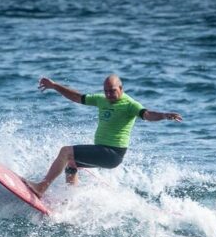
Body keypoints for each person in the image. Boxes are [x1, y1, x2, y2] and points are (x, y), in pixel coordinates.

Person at [24, 74, 182, 197]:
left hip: (113, 154)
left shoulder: (130, 105)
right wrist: (54, 86)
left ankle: (41, 187)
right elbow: (77, 97)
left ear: (121, 88)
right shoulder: (102, 99)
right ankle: (70, 199)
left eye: (113, 90)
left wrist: (163, 115)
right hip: (102, 150)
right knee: (70, 163)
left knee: (66, 152)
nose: (109, 94)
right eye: (106, 91)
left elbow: (147, 114)